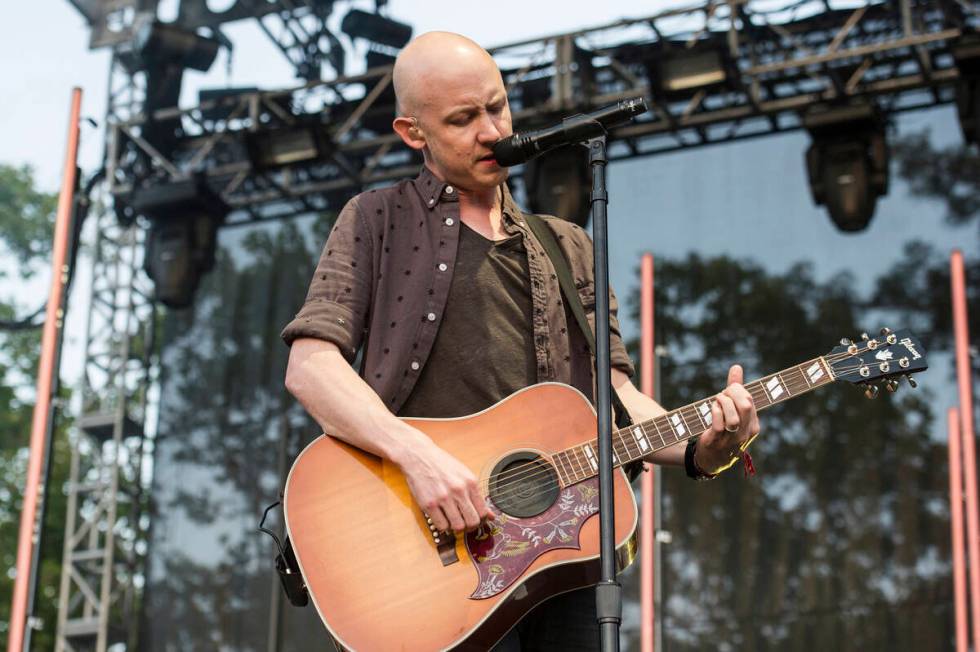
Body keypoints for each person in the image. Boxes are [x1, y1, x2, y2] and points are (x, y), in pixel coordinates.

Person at [281, 31, 760, 651]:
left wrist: (705, 445)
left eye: (497, 107)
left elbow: (614, 399)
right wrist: (417, 458)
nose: (491, 131)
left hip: (564, 554)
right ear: (412, 132)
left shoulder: (568, 244)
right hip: (430, 570)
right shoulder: (377, 219)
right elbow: (311, 367)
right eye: (462, 119)